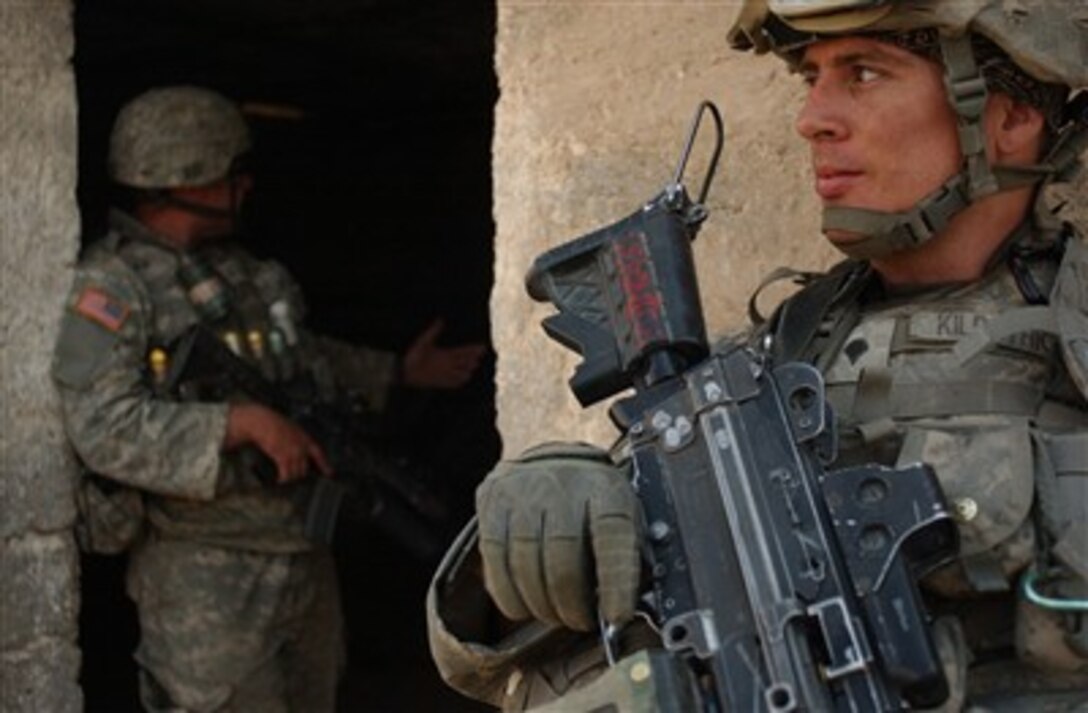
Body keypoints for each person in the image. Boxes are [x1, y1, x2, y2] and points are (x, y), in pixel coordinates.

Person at [426, 1, 1088, 710]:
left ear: (1011, 117)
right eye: (812, 77)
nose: (813, 118)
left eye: (864, 73)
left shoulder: (1071, 334)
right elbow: (484, 658)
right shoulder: (767, 366)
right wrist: (542, 513)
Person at [52, 85, 484, 712]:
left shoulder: (245, 275)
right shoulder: (112, 288)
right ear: (190, 176)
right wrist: (239, 424)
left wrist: (399, 371)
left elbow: (303, 357)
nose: (246, 185)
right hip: (205, 574)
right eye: (234, 171)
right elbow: (103, 426)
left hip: (300, 558)